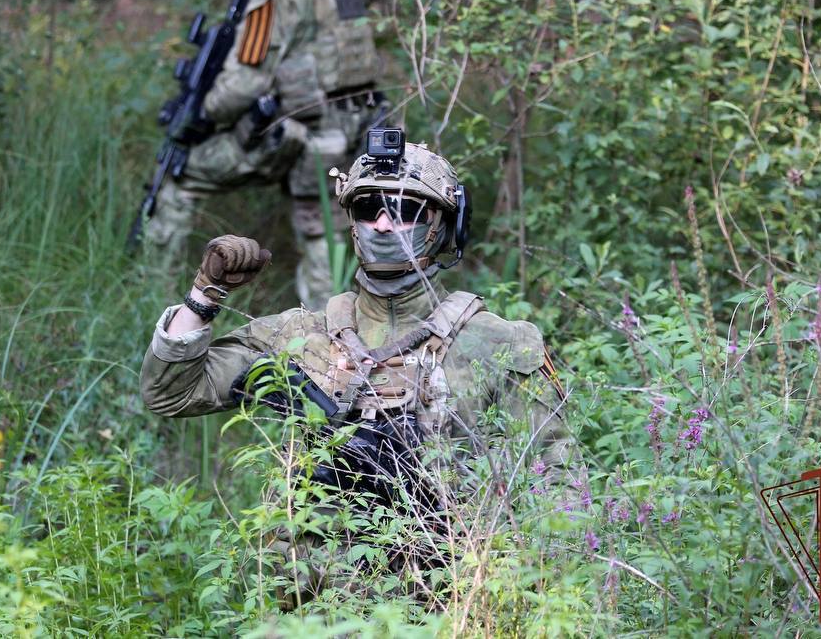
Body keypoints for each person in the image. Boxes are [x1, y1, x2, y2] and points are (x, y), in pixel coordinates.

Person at [140, 131, 571, 607]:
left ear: (443, 226)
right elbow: (171, 393)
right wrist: (204, 295)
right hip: (310, 610)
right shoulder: (300, 335)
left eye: (406, 209)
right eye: (368, 208)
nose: (384, 224)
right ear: (351, 222)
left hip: (445, 608)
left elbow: (557, 491)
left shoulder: (497, 343)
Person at [143, 0, 384, 307]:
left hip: (304, 135)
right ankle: (332, 338)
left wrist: (199, 118)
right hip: (350, 130)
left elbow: (243, 83)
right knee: (324, 237)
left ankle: (149, 296)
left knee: (179, 175)